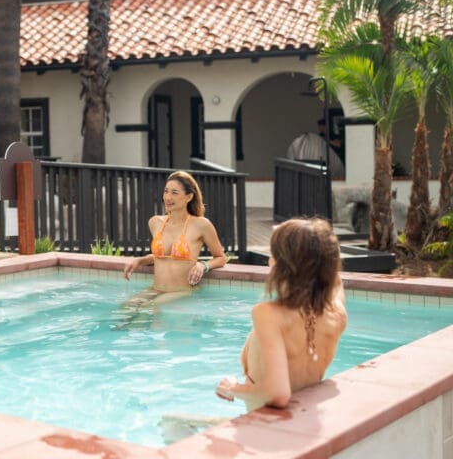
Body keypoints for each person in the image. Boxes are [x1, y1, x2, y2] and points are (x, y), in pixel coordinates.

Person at [215, 217, 346, 409]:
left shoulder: (269, 315)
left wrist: (231, 388)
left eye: (273, 254)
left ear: (283, 266)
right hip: (303, 416)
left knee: (172, 425)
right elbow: (334, 279)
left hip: (264, 426)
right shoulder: (336, 313)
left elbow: (278, 394)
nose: (269, 260)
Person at [122, 170, 227, 303]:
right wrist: (139, 260)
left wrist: (202, 265)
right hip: (156, 288)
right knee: (127, 307)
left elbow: (221, 258)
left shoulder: (201, 225)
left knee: (150, 309)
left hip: (181, 291)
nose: (168, 197)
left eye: (174, 193)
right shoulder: (155, 222)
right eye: (166, 191)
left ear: (189, 197)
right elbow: (161, 256)